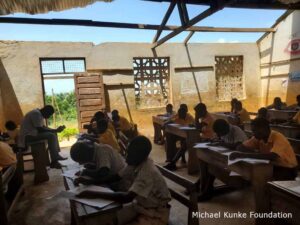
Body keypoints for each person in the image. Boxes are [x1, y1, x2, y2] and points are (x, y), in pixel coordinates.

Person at [76, 136, 171, 225]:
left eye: (129, 154)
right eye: (127, 152)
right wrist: (91, 182)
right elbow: (116, 177)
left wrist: (93, 194)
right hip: (140, 206)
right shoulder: (134, 162)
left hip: (156, 214)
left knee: (108, 219)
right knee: (104, 219)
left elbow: (127, 197)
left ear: (140, 155)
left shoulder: (147, 171)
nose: (126, 157)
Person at [197, 119, 248, 201]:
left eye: (220, 133)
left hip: (240, 166)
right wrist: (213, 141)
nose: (219, 135)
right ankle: (202, 188)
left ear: (225, 128)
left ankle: (206, 192)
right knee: (207, 163)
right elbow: (219, 139)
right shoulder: (224, 131)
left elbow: (239, 146)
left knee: (212, 168)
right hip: (230, 161)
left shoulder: (236, 130)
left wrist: (222, 143)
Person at [233, 118, 298, 180]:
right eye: (253, 131)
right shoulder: (258, 137)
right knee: (248, 172)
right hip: (271, 165)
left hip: (286, 169)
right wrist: (255, 153)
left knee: (259, 175)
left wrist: (245, 155)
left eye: (255, 131)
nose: (253, 134)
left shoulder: (278, 137)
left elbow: (272, 156)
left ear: (265, 129)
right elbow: (240, 147)